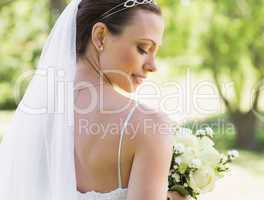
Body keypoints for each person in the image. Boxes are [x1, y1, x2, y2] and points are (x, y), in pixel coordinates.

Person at [0, 0, 187, 199]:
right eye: (143, 48)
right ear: (100, 37)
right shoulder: (150, 126)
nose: (153, 66)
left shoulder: (33, 116)